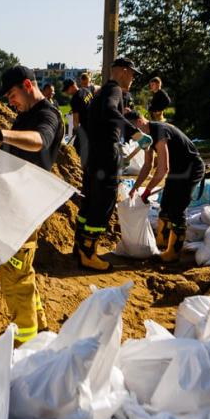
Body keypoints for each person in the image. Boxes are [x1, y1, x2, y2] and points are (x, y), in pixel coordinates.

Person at [0, 66, 64, 344]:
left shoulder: (46, 115)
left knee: (14, 273)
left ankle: (23, 343)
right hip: (17, 203)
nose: (10, 101)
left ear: (26, 85)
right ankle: (39, 327)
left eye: (12, 94)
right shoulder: (27, 115)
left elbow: (39, 142)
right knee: (23, 271)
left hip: (25, 207)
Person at [75, 58, 152, 271]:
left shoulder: (98, 94)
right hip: (107, 154)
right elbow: (111, 111)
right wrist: (135, 133)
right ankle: (89, 254)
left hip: (93, 155)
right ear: (124, 71)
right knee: (104, 202)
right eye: (133, 74)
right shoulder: (114, 90)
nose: (133, 78)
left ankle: (80, 247)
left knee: (90, 200)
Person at [125, 111, 204, 261]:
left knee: (177, 208)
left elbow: (163, 169)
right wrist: (135, 187)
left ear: (140, 122)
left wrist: (147, 191)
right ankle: (162, 243)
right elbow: (148, 165)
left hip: (191, 168)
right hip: (177, 169)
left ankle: (173, 253)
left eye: (133, 129)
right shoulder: (145, 138)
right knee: (165, 205)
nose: (132, 135)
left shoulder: (160, 131)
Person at [64, 77, 94, 167]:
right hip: (95, 122)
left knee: (76, 149)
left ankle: (77, 168)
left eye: (67, 90)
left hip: (86, 126)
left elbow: (76, 119)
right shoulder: (86, 90)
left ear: (73, 86)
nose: (66, 92)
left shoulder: (75, 99)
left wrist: (76, 129)